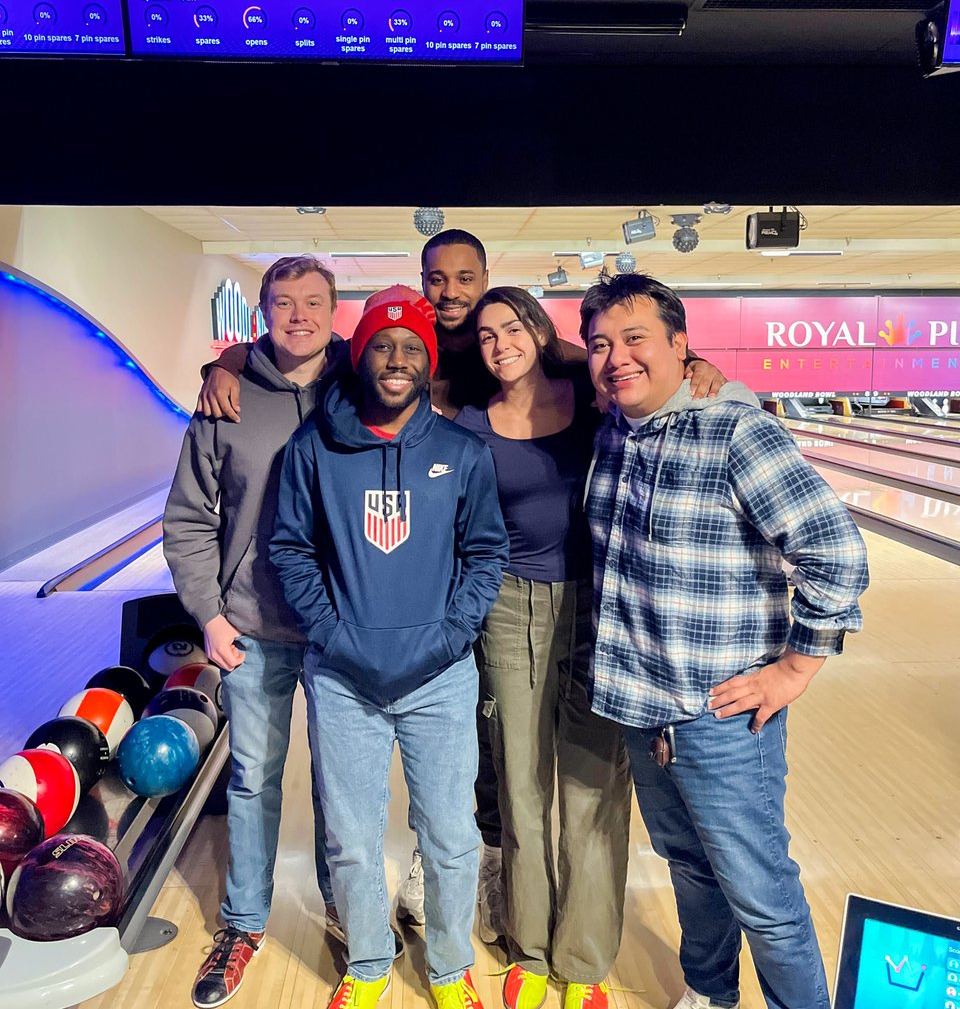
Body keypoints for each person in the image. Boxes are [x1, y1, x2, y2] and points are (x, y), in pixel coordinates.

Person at [195, 229, 725, 942]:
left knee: (548, 779)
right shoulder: (383, 373)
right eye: (436, 280)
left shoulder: (549, 377)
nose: (451, 294)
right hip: (356, 618)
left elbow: (600, 361)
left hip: (548, 609)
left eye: (466, 280)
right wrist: (227, 361)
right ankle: (287, 922)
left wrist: (693, 362)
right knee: (465, 773)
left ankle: (525, 919)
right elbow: (286, 387)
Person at [578, 272, 869, 1009]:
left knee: (762, 896)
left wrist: (795, 669)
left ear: (682, 346)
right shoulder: (612, 433)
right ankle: (711, 994)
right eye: (601, 344)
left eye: (636, 338)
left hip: (723, 719)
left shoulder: (738, 431)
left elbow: (837, 552)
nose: (618, 358)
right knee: (689, 870)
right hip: (645, 710)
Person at [270, 285, 510, 1009]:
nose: (397, 358)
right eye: (383, 345)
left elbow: (486, 553)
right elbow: (290, 551)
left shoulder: (462, 451)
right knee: (348, 833)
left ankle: (447, 965)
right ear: (361, 354)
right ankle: (370, 962)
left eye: (412, 348)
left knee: (448, 833)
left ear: (426, 363)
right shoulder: (313, 448)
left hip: (439, 676)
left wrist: (449, 635)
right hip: (343, 676)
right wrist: (336, 636)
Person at [164, 256, 351, 1009]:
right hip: (250, 626)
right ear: (263, 311)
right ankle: (243, 925)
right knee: (253, 780)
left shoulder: (362, 388)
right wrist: (208, 615)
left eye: (313, 302)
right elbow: (186, 519)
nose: (298, 315)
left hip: (342, 630)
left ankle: (348, 910)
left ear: (335, 312)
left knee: (345, 788)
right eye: (283, 302)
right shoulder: (226, 400)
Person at [456, 286, 632, 1009]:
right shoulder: (471, 426)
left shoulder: (591, 401)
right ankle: (529, 950)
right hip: (506, 608)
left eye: (512, 327)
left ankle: (583, 963)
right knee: (521, 785)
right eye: (487, 336)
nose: (500, 344)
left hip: (596, 607)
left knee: (592, 787)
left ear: (537, 328)